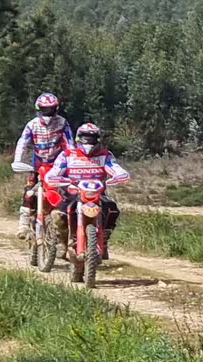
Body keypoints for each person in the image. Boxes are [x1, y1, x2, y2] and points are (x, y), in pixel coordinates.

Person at [41, 122, 131, 258]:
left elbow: (115, 168)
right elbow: (54, 171)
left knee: (112, 210)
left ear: (98, 139)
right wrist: (56, 179)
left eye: (92, 138)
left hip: (97, 194)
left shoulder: (105, 155)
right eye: (85, 138)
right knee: (58, 216)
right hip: (72, 193)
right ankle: (63, 242)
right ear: (78, 138)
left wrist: (120, 176)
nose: (88, 141)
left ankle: (104, 240)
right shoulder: (67, 155)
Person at [11, 93, 71, 235]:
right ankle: (23, 224)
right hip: (38, 165)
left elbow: (70, 144)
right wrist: (18, 160)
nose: (47, 113)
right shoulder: (32, 125)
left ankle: (67, 227)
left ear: (56, 109)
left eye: (50, 109)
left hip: (59, 165)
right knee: (29, 191)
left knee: (68, 192)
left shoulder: (62, 123)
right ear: (38, 109)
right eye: (44, 109)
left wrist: (73, 162)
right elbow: (22, 143)